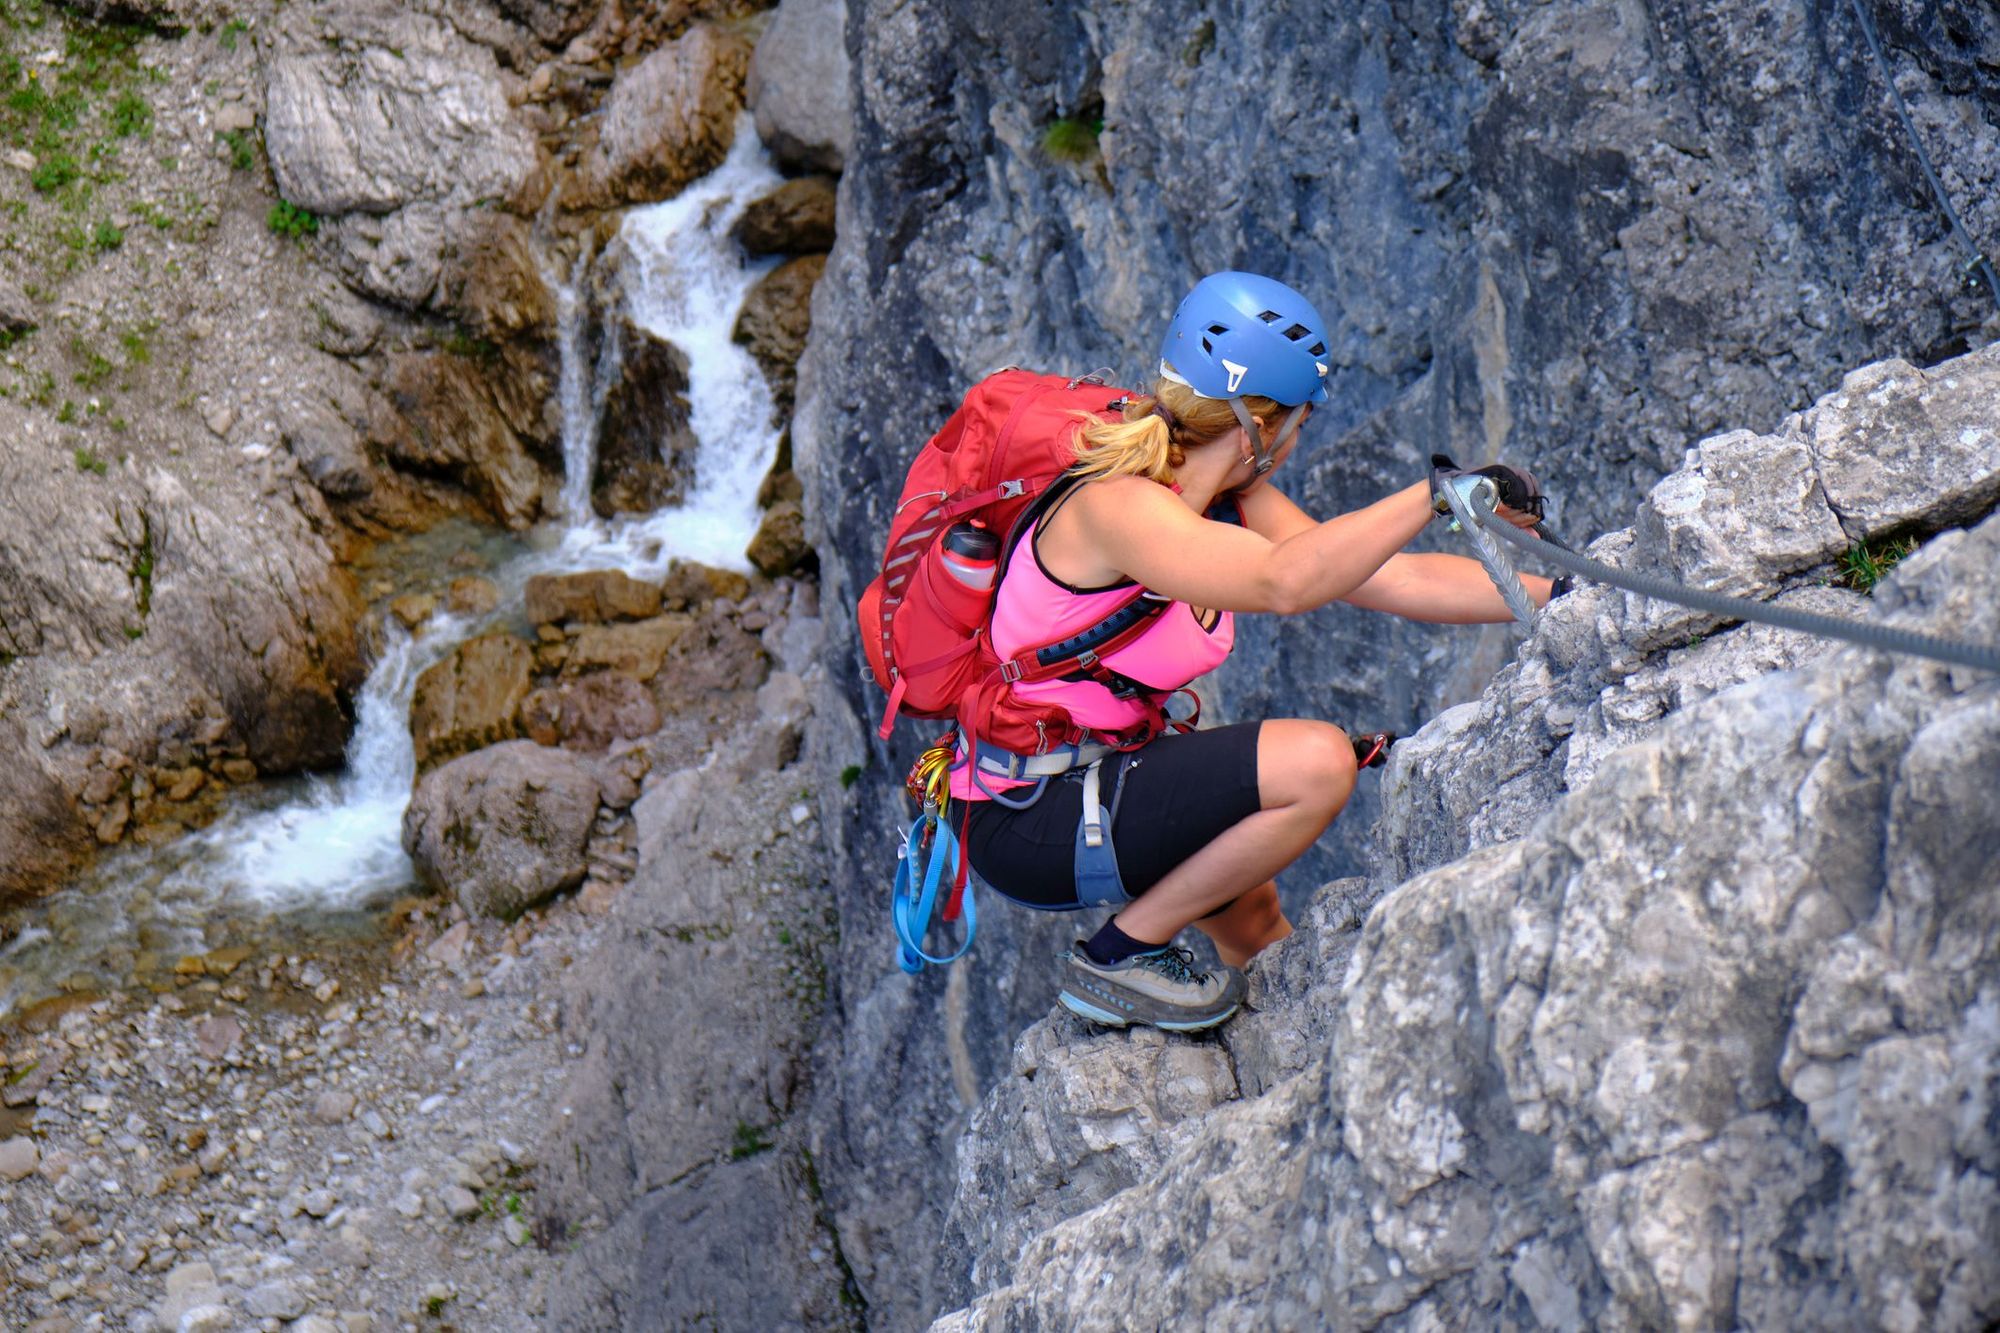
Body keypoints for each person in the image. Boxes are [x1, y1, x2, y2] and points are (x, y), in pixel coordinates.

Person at [953, 271, 1557, 1031]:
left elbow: (1389, 577)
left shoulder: (1219, 493)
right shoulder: (1118, 506)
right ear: (1260, 426)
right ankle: (1117, 957)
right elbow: (1284, 581)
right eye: (1299, 422)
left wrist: (1554, 597)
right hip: (1028, 816)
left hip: (1089, 778)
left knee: (1254, 916)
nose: (1298, 440)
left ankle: (1296, 1046)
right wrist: (1434, 494)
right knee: (1317, 764)